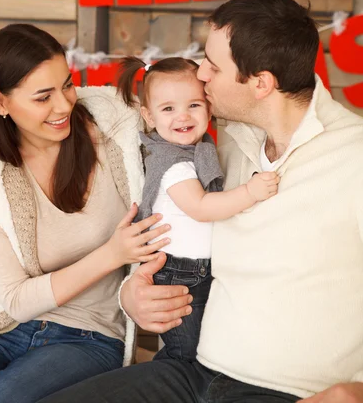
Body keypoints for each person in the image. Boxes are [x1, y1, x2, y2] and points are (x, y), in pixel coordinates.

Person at [39, 0, 363, 403]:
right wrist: (131, 295)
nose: (201, 74)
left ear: (261, 83)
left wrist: (354, 393)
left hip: (285, 393)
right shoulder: (219, 138)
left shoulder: (354, 159)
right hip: (190, 371)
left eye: (213, 65)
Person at [0, 24, 170, 403]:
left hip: (88, 334)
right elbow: (15, 299)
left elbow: (185, 119)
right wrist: (111, 254)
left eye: (68, 85)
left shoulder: (115, 132)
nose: (64, 105)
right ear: (0, 102)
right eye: (43, 97)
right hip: (6, 325)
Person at [116, 55, 279, 361]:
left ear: (208, 106)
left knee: (209, 347)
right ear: (149, 117)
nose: (183, 117)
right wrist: (250, 192)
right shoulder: (172, 164)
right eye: (168, 109)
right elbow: (202, 207)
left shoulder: (197, 151)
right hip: (179, 273)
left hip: (198, 270)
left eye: (193, 105)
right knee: (188, 353)